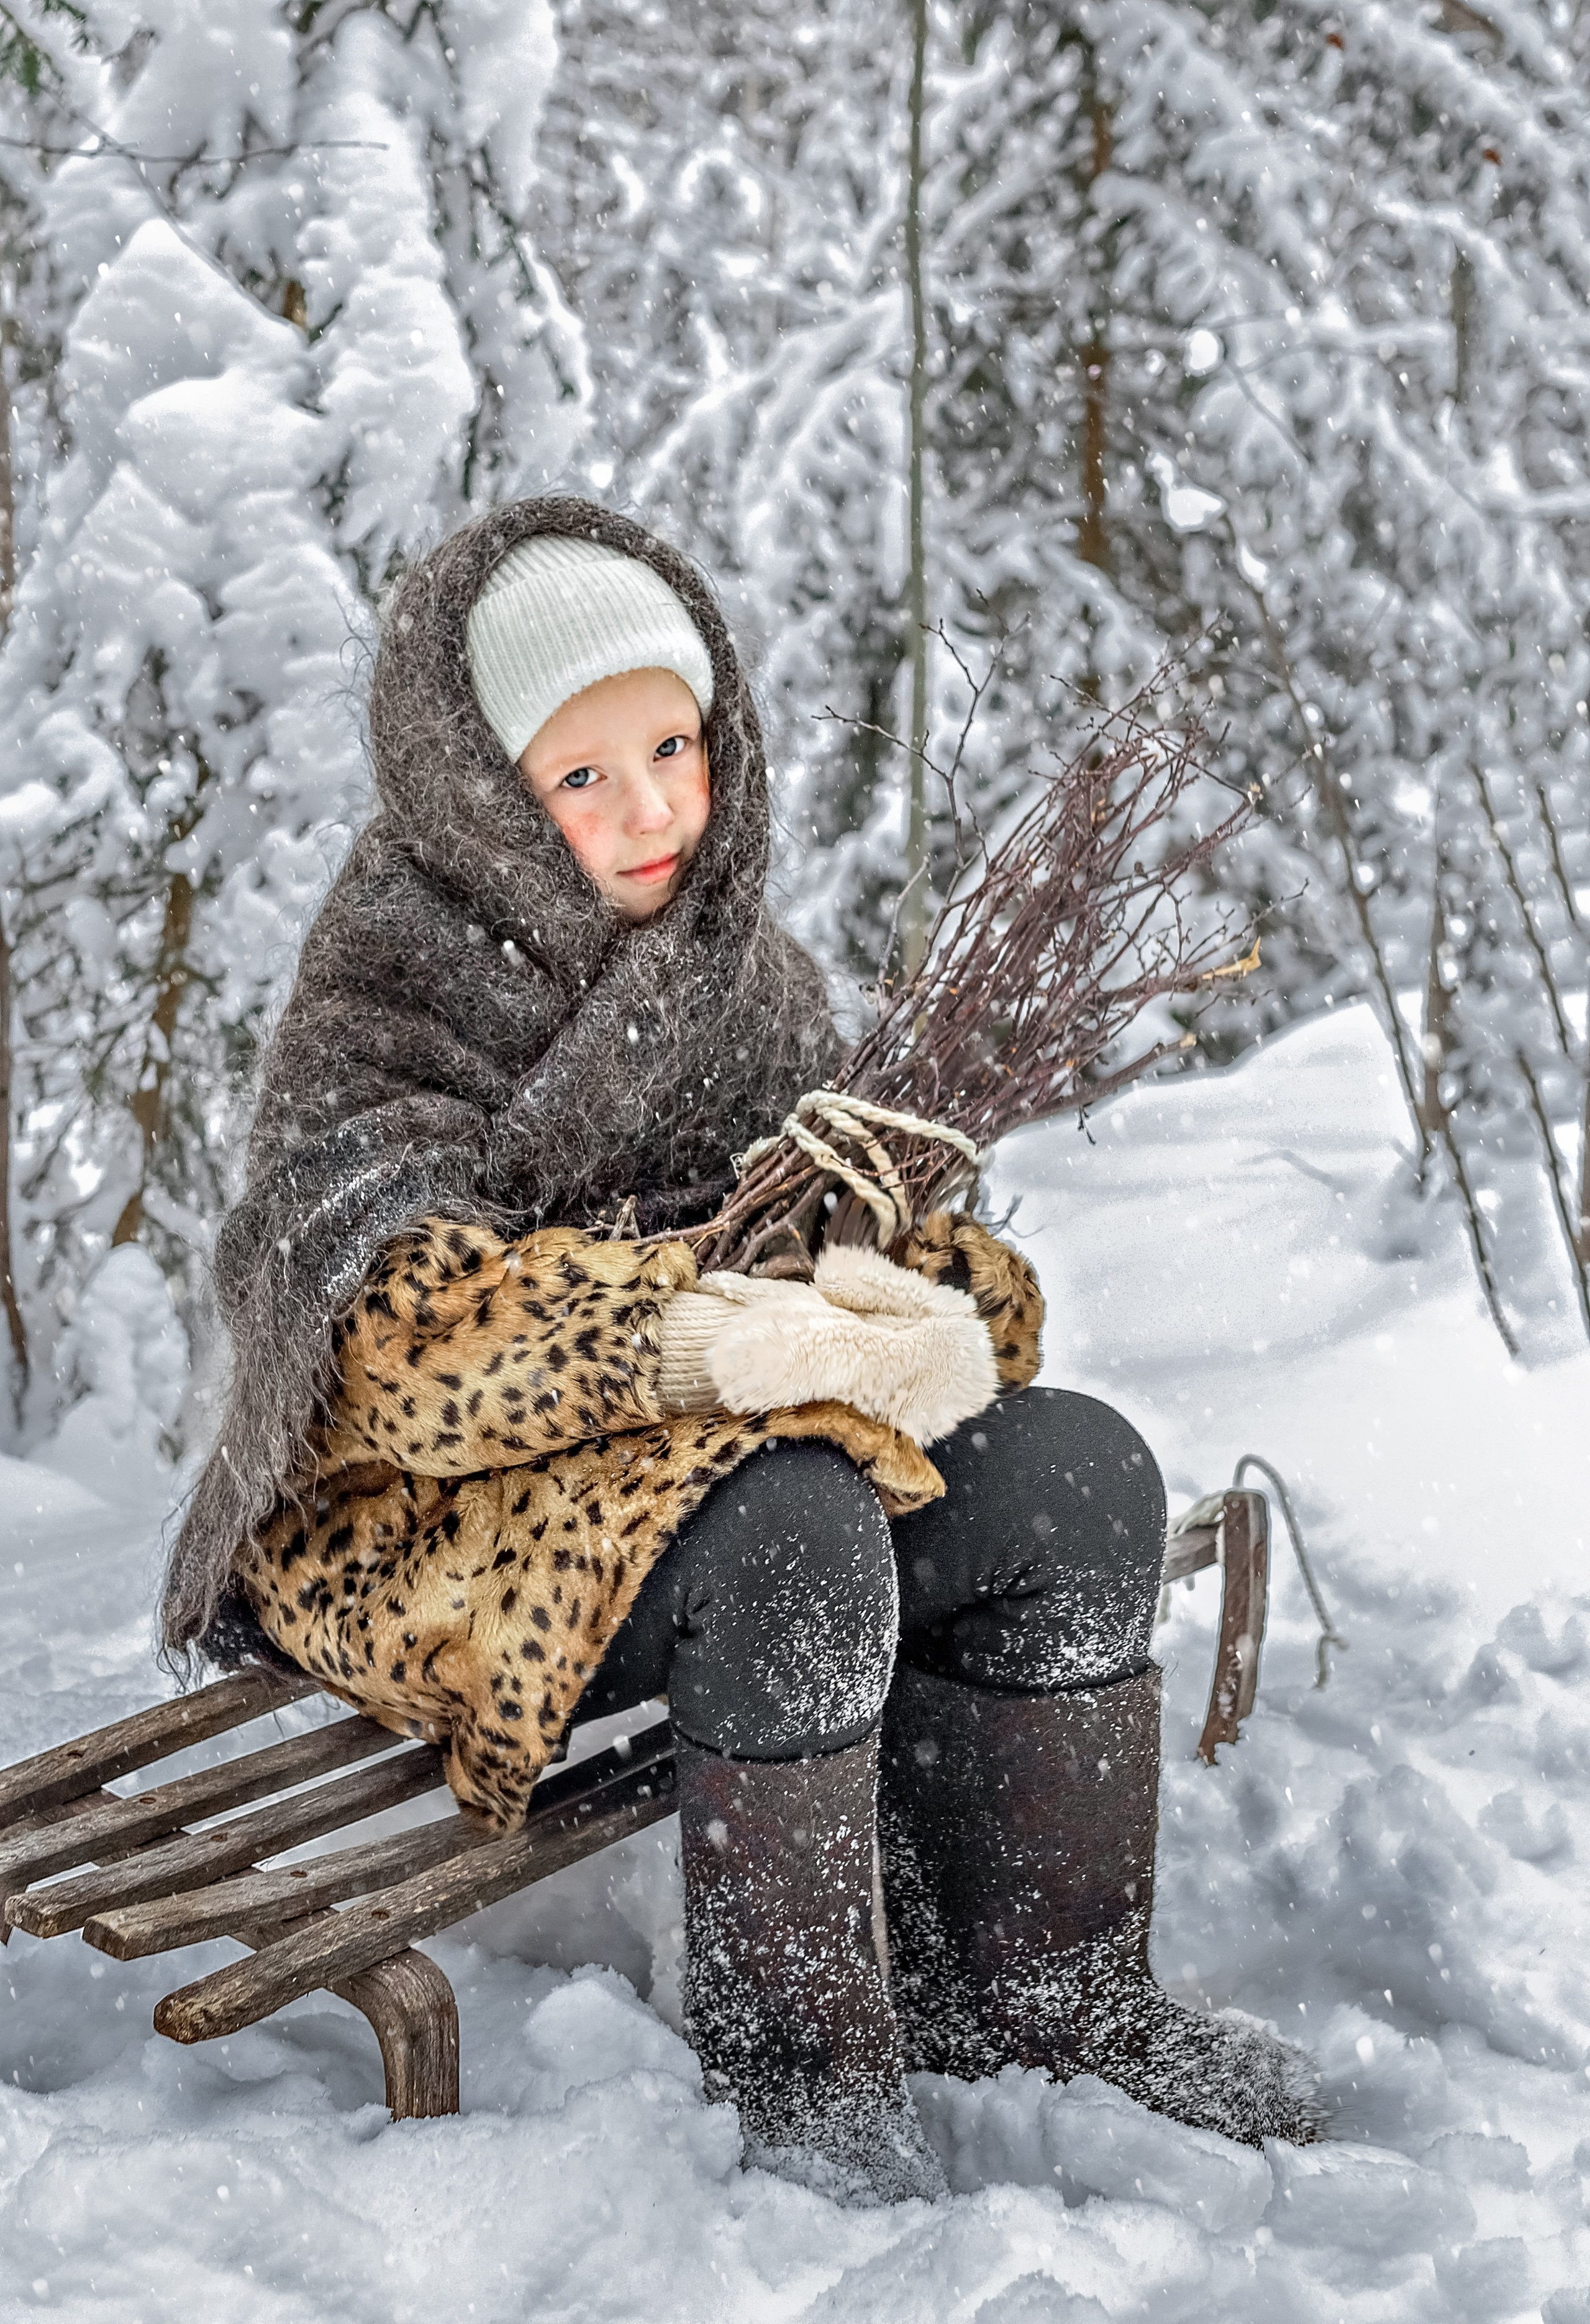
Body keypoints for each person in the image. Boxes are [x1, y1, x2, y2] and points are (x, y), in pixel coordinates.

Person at [161, 498, 1319, 2204]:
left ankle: (1056, 1995)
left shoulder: (739, 973)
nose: (650, 811)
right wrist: (700, 1341)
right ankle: (808, 2087)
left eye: (674, 746)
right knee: (792, 1541)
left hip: (713, 1476)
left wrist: (921, 1311)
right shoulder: (393, 985)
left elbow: (889, 1208)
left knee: (1077, 1481)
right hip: (437, 1536)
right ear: (486, 793)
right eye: (581, 776)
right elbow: (394, 1340)